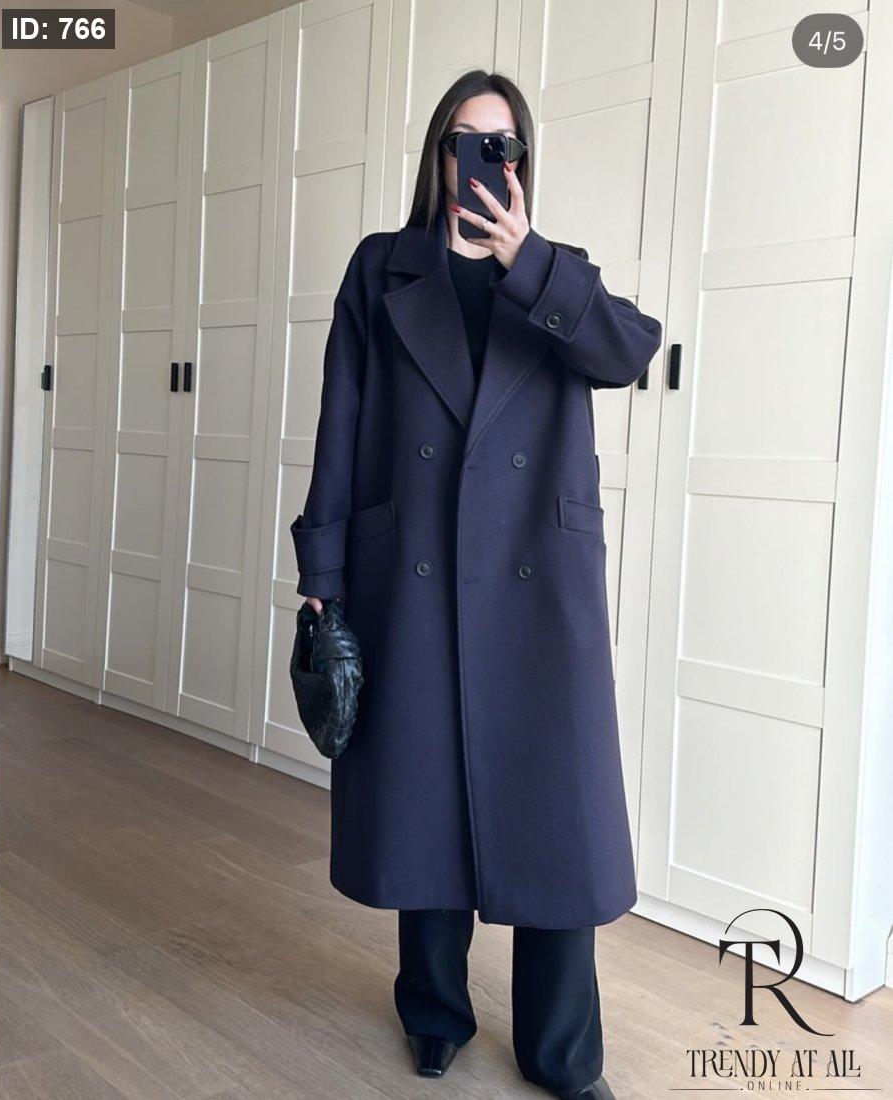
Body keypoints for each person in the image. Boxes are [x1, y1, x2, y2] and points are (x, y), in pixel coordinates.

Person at [291, 69, 662, 1099]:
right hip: (410, 569)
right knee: (425, 799)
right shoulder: (383, 269)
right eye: (467, 140)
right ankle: (434, 1011)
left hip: (537, 585)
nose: (483, 162)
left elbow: (629, 352)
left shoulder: (555, 274)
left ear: (523, 161)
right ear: (438, 153)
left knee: (558, 814)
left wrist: (525, 260)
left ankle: (562, 1053)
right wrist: (323, 570)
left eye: (502, 145)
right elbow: (339, 421)